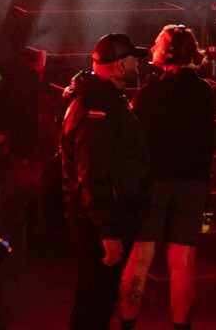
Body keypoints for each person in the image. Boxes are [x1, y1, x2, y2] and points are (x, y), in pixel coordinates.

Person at [119, 25, 215, 330]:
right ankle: (181, 326)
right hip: (194, 183)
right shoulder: (205, 91)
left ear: (170, 52)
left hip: (155, 183)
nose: (153, 48)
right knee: (183, 261)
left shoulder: (151, 92)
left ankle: (128, 324)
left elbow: (133, 137)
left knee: (140, 258)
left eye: (158, 44)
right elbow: (209, 142)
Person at [60, 32, 153, 330]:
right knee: (95, 300)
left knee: (98, 298)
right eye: (133, 59)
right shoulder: (96, 106)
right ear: (120, 65)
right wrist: (108, 231)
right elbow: (93, 172)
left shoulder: (105, 99)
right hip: (98, 222)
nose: (138, 65)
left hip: (104, 218)